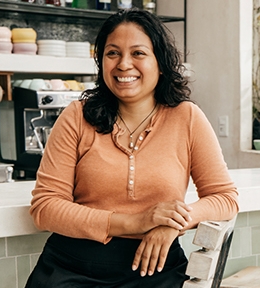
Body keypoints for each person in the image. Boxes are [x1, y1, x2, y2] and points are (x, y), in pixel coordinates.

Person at [25, 8, 239, 288]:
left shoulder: (187, 118)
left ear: (160, 62)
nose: (124, 64)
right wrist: (136, 222)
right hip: (70, 269)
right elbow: (46, 208)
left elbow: (225, 198)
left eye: (138, 53)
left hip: (157, 270)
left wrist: (174, 223)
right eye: (112, 53)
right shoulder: (76, 116)